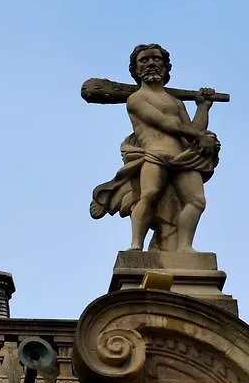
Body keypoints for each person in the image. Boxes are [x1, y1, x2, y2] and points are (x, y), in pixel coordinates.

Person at [90, 44, 220, 252]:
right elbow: (164, 123)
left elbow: (192, 131)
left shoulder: (176, 102)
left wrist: (203, 107)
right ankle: (136, 245)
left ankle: (184, 247)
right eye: (144, 60)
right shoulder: (136, 99)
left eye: (156, 59)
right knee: (149, 195)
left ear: (166, 66)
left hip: (183, 157)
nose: (151, 63)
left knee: (197, 201)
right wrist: (199, 136)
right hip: (155, 154)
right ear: (136, 69)